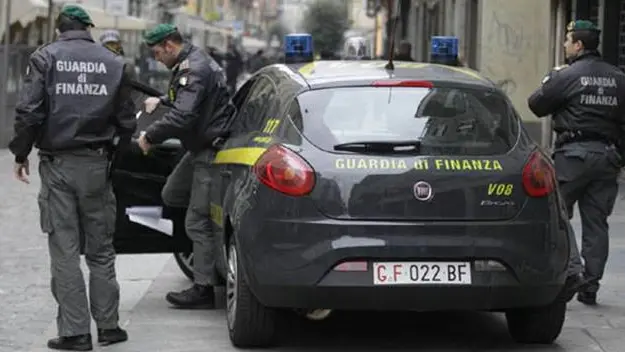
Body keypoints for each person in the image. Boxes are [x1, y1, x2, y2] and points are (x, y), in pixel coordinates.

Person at [8, 5, 136, 350]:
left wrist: (20, 153)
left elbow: (30, 111)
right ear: (89, 28)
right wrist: (114, 159)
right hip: (97, 164)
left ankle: (76, 333)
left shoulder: (45, 57)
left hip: (59, 165)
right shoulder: (113, 62)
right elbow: (127, 122)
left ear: (59, 29)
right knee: (101, 250)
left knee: (64, 249)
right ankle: (109, 327)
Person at [528, 20, 625, 305]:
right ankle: (590, 286)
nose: (564, 45)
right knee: (597, 223)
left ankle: (572, 270)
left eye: (568, 40)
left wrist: (550, 78)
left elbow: (536, 104)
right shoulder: (619, 78)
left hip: (573, 156)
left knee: (557, 215)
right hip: (607, 156)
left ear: (578, 45)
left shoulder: (568, 75)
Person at [138, 24, 233, 309]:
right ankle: (207, 241)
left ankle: (203, 287)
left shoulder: (194, 68)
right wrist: (163, 99)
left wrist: (150, 136)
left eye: (157, 53)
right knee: (171, 194)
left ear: (169, 45)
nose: (156, 59)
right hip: (198, 148)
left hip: (210, 151)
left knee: (196, 221)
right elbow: (192, 99)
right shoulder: (191, 64)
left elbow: (184, 115)